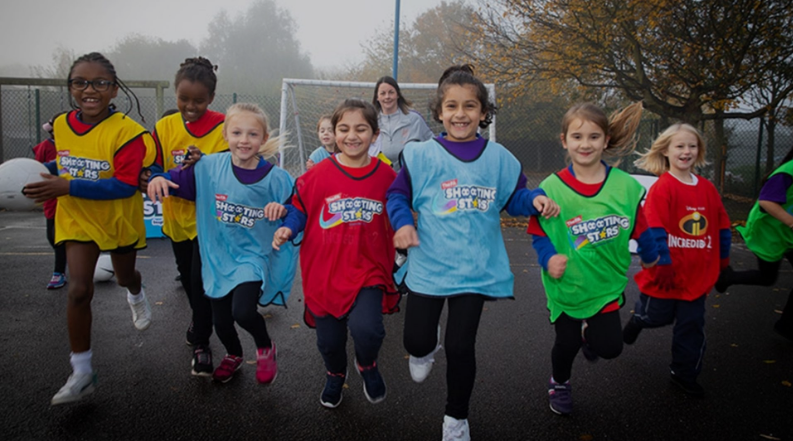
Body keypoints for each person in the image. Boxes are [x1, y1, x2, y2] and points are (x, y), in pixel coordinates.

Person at [387, 65, 559, 440]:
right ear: (439, 112)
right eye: (452, 106)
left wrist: (535, 200)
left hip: (475, 268)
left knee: (461, 346)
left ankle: (456, 418)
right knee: (415, 341)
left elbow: (513, 199)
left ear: (483, 113)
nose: (460, 114)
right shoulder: (420, 155)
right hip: (429, 265)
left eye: (470, 106)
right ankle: (423, 345)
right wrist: (402, 223)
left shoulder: (499, 158)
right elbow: (397, 195)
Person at [23, 52, 156, 405]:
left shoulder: (130, 133)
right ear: (70, 87)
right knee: (79, 290)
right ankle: (82, 372)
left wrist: (66, 185)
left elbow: (125, 185)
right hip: (77, 217)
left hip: (117, 217)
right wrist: (36, 172)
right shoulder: (63, 124)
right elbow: (66, 160)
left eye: (100, 82)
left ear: (114, 90)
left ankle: (136, 293)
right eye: (80, 82)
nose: (89, 89)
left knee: (126, 276)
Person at [527, 101, 664, 416]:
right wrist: (548, 259)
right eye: (577, 137)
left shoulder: (625, 186)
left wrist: (650, 253)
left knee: (611, 348)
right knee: (566, 343)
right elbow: (539, 232)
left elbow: (640, 225)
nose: (585, 144)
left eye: (593, 136)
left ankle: (592, 335)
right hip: (568, 286)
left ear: (605, 140)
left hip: (604, 283)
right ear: (564, 140)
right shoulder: (552, 187)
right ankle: (559, 382)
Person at [148, 103, 297, 385]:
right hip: (216, 257)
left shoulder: (277, 178)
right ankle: (234, 354)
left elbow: (297, 207)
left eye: (252, 134)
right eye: (237, 132)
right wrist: (159, 177)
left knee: (242, 312)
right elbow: (174, 179)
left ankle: (265, 347)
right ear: (225, 136)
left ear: (264, 139)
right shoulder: (207, 167)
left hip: (252, 258)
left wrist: (283, 211)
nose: (244, 140)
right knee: (220, 322)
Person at [269, 99, 400, 409]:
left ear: (375, 134)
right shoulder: (316, 175)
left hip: (368, 269)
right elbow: (298, 209)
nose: (351, 136)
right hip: (324, 271)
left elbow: (399, 213)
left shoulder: (387, 177)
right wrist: (288, 227)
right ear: (333, 132)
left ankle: (366, 365)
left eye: (361, 129)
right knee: (329, 341)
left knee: (367, 330)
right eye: (344, 128)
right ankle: (335, 374)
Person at [623, 123, 731, 396]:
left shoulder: (706, 188)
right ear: (666, 151)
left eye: (692, 146)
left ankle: (683, 374)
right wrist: (664, 263)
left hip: (695, 278)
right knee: (655, 318)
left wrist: (723, 262)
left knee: (692, 325)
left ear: (699, 151)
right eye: (680, 146)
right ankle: (639, 320)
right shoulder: (663, 188)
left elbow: (721, 226)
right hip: (666, 274)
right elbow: (655, 229)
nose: (686, 152)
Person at [151, 57, 227, 374]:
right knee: (188, 276)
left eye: (198, 100)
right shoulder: (164, 126)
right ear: (175, 94)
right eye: (184, 99)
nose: (190, 106)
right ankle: (199, 318)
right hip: (176, 219)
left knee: (199, 281)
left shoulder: (224, 126)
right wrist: (154, 177)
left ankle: (202, 345)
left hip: (209, 221)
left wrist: (206, 160)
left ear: (211, 98)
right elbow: (153, 166)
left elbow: (231, 171)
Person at [715, 145, 793, 342]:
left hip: (784, 233)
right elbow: (767, 201)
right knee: (767, 277)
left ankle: (786, 326)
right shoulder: (788, 171)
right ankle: (727, 277)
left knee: (768, 277)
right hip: (769, 232)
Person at [32, 113, 67, 289]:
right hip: (51, 198)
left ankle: (58, 272)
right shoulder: (46, 146)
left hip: (71, 198)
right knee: (52, 236)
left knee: (63, 238)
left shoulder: (77, 146)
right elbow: (37, 169)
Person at [371, 76, 433, 167]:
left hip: (410, 178)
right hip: (381, 178)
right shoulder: (371, 123)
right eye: (383, 93)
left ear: (398, 95)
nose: (387, 97)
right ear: (377, 97)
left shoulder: (415, 120)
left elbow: (433, 146)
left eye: (391, 92)